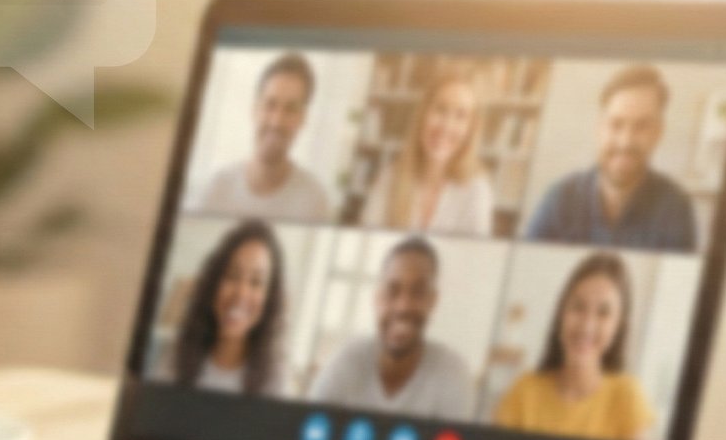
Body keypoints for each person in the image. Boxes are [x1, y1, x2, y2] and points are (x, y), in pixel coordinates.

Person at [524, 64, 698, 251]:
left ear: (658, 133)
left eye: (642, 126)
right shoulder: (559, 199)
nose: (625, 142)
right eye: (616, 124)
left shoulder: (676, 207)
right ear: (599, 128)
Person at [493, 251, 657, 440]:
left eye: (603, 313)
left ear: (618, 327)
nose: (587, 326)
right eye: (578, 307)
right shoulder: (523, 392)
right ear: (561, 312)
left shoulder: (628, 398)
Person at [307, 236, 475, 419]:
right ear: (377, 298)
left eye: (418, 292)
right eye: (392, 291)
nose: (403, 306)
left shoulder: (452, 373)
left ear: (432, 301)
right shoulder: (347, 360)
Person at [186, 53, 333, 221]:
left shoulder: (314, 202)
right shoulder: (214, 190)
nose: (276, 122)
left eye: (291, 109)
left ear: (302, 119)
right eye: (270, 105)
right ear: (255, 110)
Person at [361, 70, 495, 235]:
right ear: (423, 114)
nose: (446, 126)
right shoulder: (390, 177)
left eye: (460, 116)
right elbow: (367, 239)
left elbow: (475, 257)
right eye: (440, 109)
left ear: (471, 130)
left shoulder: (477, 190)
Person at [164, 220, 287, 395]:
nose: (241, 293)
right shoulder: (174, 360)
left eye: (256, 282)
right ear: (213, 283)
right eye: (232, 275)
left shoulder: (275, 382)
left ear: (270, 299)